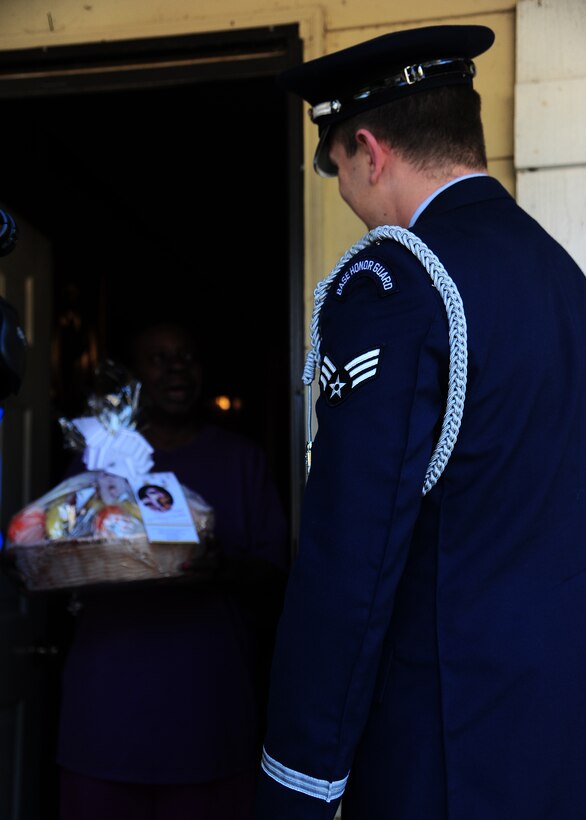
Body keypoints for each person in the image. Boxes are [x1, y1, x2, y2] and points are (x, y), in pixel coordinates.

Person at [254, 24, 586, 820]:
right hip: (553, 737)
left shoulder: (396, 285)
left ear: (367, 148)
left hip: (440, 752)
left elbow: (351, 563)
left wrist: (298, 781)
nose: (343, 191)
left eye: (335, 166)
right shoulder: (561, 275)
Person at [56, 318, 290, 820]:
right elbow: (54, 557)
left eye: (186, 356)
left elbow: (277, 576)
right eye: (158, 359)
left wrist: (220, 566)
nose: (176, 369)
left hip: (209, 725)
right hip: (105, 724)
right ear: (134, 378)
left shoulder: (241, 460)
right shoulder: (100, 460)